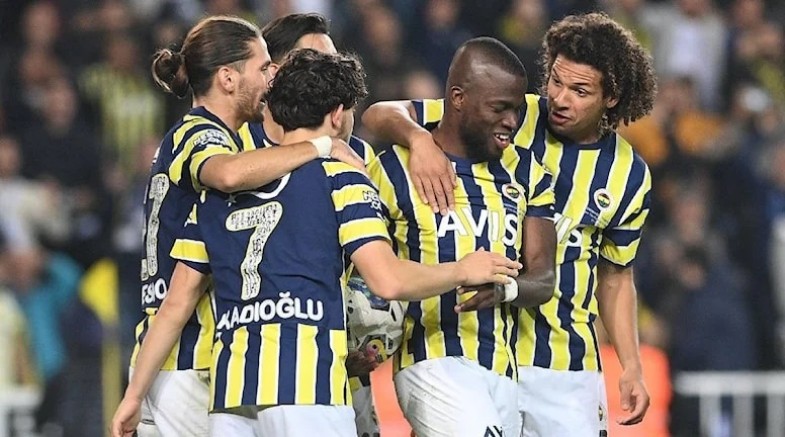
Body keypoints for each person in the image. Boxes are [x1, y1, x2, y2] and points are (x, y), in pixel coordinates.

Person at [112, 49, 522, 437]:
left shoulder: (217, 196)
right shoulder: (342, 179)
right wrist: (462, 269)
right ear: (338, 115)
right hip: (309, 391)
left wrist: (132, 396)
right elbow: (388, 280)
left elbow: (175, 305)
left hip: (233, 397)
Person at [362, 12, 657, 436]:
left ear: (610, 97)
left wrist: (630, 365)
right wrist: (418, 139)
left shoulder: (628, 175)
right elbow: (382, 113)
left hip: (562, 364)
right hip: (479, 351)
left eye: (579, 91)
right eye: (555, 81)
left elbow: (615, 276)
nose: (560, 98)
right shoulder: (512, 113)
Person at [130, 15, 365, 437]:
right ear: (227, 78)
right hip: (189, 354)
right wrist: (321, 145)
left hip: (177, 356)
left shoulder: (214, 138)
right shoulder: (201, 135)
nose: (271, 78)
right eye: (263, 67)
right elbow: (227, 174)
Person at [367, 37, 557, 437]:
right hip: (432, 358)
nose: (511, 122)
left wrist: (504, 290)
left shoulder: (527, 173)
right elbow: (361, 266)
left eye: (517, 110)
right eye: (499, 108)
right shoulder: (395, 169)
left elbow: (543, 279)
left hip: (503, 372)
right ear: (457, 99)